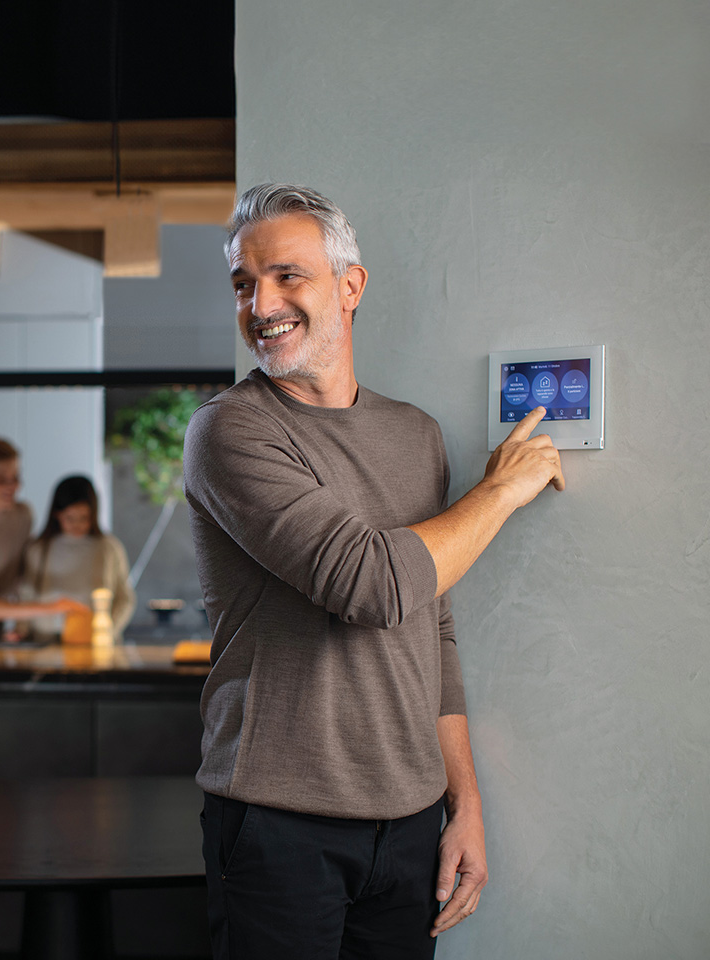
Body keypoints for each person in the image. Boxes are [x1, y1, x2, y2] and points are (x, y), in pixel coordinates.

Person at [183, 183, 565, 960]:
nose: (262, 303)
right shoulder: (230, 432)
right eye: (244, 284)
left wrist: (466, 803)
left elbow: (435, 628)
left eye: (288, 275)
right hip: (275, 823)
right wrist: (501, 490)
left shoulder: (415, 434)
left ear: (350, 286)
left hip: (411, 820)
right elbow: (374, 588)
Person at [0, 437, 86, 643]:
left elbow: (24, 573)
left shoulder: (22, 515)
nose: (12, 486)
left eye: (16, 477)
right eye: (1, 478)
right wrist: (52, 608)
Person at [22, 475, 136, 642]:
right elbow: (26, 594)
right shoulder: (38, 548)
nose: (77, 525)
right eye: (70, 518)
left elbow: (125, 598)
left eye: (84, 518)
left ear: (94, 514)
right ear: (56, 514)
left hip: (93, 641)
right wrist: (21, 629)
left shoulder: (108, 547)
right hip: (45, 641)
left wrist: (108, 631)